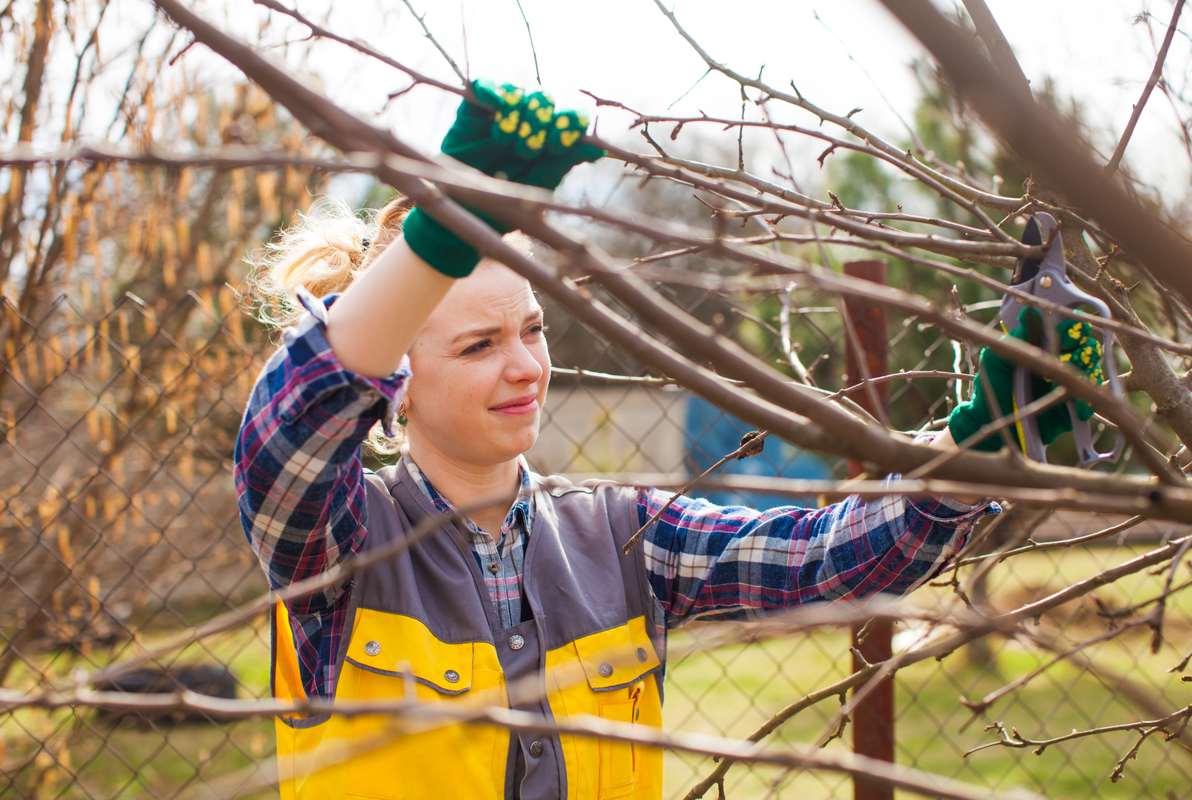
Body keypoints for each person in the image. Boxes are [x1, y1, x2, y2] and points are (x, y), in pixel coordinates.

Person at [234, 81, 1099, 800]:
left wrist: (979, 441)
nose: (526, 366)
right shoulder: (339, 557)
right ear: (398, 381)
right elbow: (291, 431)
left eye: (532, 330)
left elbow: (820, 557)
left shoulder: (622, 539)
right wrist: (441, 223)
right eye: (478, 345)